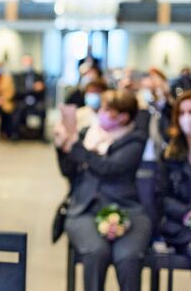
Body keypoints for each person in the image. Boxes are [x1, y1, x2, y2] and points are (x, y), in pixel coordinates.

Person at [55, 89, 151, 291]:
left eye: (109, 110)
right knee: (96, 252)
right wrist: (61, 145)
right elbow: (69, 171)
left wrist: (76, 148)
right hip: (85, 209)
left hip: (127, 209)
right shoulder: (89, 133)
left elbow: (108, 168)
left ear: (124, 117)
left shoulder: (135, 140)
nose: (101, 113)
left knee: (128, 257)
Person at [159, 90, 191, 259]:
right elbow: (162, 196)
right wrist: (186, 213)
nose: (187, 118)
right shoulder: (169, 154)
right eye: (182, 113)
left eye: (190, 112)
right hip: (179, 226)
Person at [11, 54, 46, 140]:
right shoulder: (18, 76)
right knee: (17, 110)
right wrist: (33, 88)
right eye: (25, 61)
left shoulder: (39, 75)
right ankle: (15, 134)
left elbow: (43, 90)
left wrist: (41, 88)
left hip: (36, 100)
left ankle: (41, 135)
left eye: (29, 61)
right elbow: (18, 91)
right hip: (22, 100)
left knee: (42, 110)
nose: (27, 63)